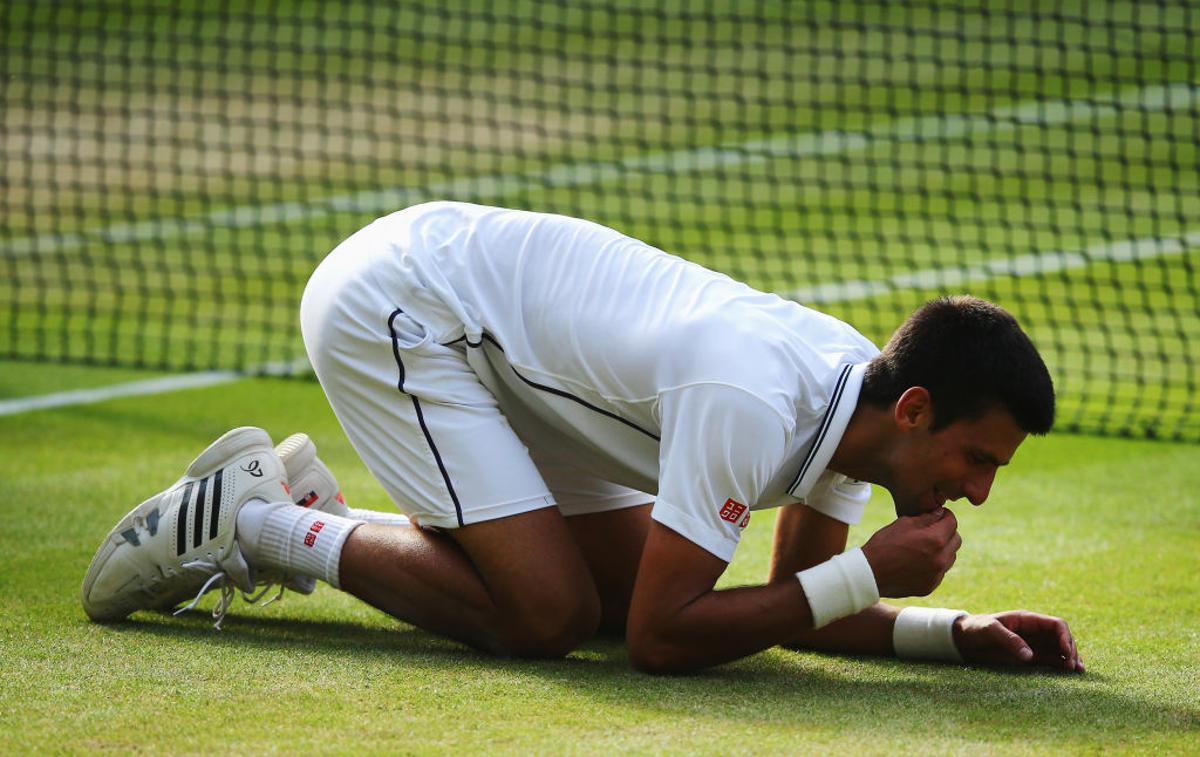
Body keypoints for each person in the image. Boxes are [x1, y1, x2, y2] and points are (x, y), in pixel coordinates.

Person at [82, 202, 1083, 674]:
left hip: (509, 357)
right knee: (549, 615)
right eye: (978, 458)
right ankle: (262, 520)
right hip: (404, 309)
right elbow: (666, 640)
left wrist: (949, 633)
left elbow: (794, 608)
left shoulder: (857, 408)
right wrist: (868, 575)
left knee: (606, 596)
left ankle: (308, 513)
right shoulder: (753, 400)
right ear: (915, 413)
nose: (980, 490)